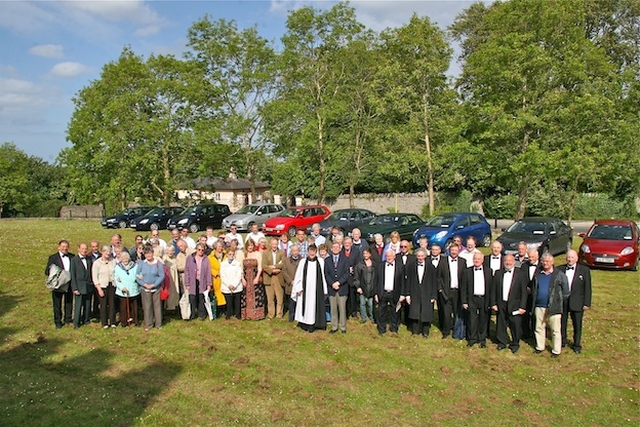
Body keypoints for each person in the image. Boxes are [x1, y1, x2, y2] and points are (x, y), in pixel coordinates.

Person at [531, 253, 570, 357]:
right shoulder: (538, 273)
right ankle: (540, 347)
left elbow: (566, 291)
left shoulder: (559, 274)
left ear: (552, 262)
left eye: (547, 261)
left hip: (554, 306)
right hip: (539, 305)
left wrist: (558, 300)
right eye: (543, 261)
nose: (545, 263)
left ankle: (556, 350)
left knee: (555, 330)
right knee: (539, 327)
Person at [491, 254, 528, 353]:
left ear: (514, 262)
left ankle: (515, 343)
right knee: (501, 323)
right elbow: (494, 289)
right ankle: (501, 342)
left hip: (515, 304)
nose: (508, 263)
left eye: (510, 261)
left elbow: (524, 292)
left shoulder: (520, 274)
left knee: (515, 324)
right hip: (501, 303)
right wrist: (493, 303)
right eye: (506, 261)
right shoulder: (498, 273)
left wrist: (522, 306)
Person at [558, 250, 591, 354]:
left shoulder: (584, 270)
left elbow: (587, 288)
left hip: (577, 301)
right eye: (568, 257)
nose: (570, 259)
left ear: (576, 258)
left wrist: (586, 303)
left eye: (572, 257)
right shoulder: (560, 269)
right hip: (563, 301)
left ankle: (576, 344)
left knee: (577, 324)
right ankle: (562, 341)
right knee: (562, 322)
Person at [292, 244, 328, 332]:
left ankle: (314, 324)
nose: (312, 253)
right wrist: (298, 288)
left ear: (316, 252)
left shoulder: (320, 262)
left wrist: (325, 289)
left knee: (313, 307)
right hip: (304, 290)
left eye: (314, 251)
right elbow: (298, 276)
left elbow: (323, 276)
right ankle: (304, 324)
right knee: (304, 307)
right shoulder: (303, 262)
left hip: (316, 290)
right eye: (310, 251)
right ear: (308, 252)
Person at [461, 252, 493, 348]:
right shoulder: (467, 271)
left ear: (482, 260)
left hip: (484, 299)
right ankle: (472, 339)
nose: (477, 260)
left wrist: (491, 302)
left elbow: (491, 287)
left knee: (483, 319)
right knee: (472, 319)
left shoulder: (488, 271)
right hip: (472, 299)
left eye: (479, 259)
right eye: (475, 259)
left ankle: (482, 339)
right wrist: (464, 301)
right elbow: (463, 288)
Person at [45, 240, 74, 329]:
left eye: (66, 246)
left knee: (69, 302)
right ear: (59, 247)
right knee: (57, 303)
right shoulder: (53, 258)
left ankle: (68, 319)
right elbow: (47, 271)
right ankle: (58, 321)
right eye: (63, 246)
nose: (65, 248)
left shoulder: (72, 256)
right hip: (58, 284)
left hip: (69, 283)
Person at [440, 243, 467, 340]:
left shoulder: (463, 262)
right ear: (449, 251)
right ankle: (446, 332)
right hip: (446, 291)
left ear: (459, 251)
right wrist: (440, 290)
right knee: (446, 314)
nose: (454, 252)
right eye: (452, 250)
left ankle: (457, 332)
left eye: (456, 250)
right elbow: (439, 277)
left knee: (457, 313)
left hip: (458, 292)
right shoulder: (443, 261)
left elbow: (465, 278)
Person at [375, 249, 405, 335]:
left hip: (395, 292)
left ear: (394, 256)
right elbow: (376, 280)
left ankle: (394, 329)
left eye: (390, 256)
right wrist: (376, 293)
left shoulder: (400, 266)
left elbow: (403, 281)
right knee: (381, 312)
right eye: (387, 256)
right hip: (382, 292)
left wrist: (403, 294)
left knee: (395, 312)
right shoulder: (380, 265)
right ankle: (381, 329)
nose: (389, 258)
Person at [136, 245, 165, 331]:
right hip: (145, 288)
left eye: (150, 253)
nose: (148, 255)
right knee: (147, 307)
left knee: (157, 306)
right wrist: (144, 284)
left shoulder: (158, 263)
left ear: (153, 253)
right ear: (144, 255)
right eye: (146, 254)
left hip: (156, 288)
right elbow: (137, 276)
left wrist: (154, 285)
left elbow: (162, 276)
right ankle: (148, 324)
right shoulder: (141, 264)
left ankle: (158, 324)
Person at [325, 241, 350, 334]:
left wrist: (339, 283)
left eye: (337, 247)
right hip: (332, 288)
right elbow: (326, 274)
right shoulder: (327, 260)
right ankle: (334, 327)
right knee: (333, 309)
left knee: (342, 309)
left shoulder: (345, 259)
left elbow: (347, 273)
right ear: (331, 249)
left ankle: (343, 327)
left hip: (342, 288)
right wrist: (332, 284)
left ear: (340, 249)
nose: (335, 249)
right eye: (334, 247)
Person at [185, 243, 212, 320]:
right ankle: (192, 314)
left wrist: (209, 284)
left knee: (201, 298)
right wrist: (187, 283)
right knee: (192, 298)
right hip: (192, 281)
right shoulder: (190, 258)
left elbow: (208, 272)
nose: (200, 251)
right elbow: (187, 271)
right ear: (196, 249)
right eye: (199, 249)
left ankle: (202, 315)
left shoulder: (206, 259)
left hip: (202, 281)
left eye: (202, 250)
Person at [70, 243, 93, 329]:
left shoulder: (89, 259)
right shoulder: (74, 260)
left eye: (86, 248)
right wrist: (74, 288)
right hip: (79, 286)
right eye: (82, 248)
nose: (84, 250)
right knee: (78, 305)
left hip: (88, 285)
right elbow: (73, 275)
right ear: (78, 249)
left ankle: (86, 320)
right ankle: (76, 323)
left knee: (87, 304)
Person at [92, 245, 116, 328]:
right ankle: (104, 322)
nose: (108, 253)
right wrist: (99, 288)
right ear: (102, 252)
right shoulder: (97, 263)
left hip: (112, 285)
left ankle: (113, 322)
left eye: (109, 252)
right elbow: (94, 277)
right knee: (103, 305)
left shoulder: (113, 261)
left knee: (112, 304)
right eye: (106, 251)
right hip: (102, 286)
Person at [241, 239, 265, 320]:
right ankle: (247, 315)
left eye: (251, 245)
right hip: (246, 278)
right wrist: (242, 279)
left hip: (255, 277)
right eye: (248, 245)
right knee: (246, 297)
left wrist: (257, 277)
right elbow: (241, 268)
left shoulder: (257, 254)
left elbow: (260, 268)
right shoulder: (244, 254)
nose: (250, 247)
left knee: (256, 296)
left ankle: (257, 315)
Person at [262, 237, 286, 319]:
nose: (274, 246)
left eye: (276, 244)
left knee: (279, 298)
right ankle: (271, 314)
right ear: (270, 244)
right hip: (269, 277)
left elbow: (283, 264)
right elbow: (264, 265)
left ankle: (279, 314)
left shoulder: (282, 253)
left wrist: (274, 266)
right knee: (270, 298)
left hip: (278, 277)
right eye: (273, 244)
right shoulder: (265, 253)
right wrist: (272, 271)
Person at [114, 251, 140, 327]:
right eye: (123, 258)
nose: (125, 260)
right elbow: (116, 278)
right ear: (121, 259)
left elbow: (138, 275)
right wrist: (122, 287)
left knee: (134, 306)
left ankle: (135, 320)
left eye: (126, 258)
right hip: (123, 291)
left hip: (133, 289)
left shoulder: (135, 266)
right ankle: (124, 322)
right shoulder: (118, 267)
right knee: (123, 307)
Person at [521, 249, 541, 339]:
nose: (531, 259)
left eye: (533, 257)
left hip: (537, 295)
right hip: (525, 295)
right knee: (525, 314)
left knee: (535, 315)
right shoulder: (524, 265)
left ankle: (534, 332)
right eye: (529, 257)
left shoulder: (541, 266)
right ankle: (525, 332)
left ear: (537, 256)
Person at [354, 248, 376, 324]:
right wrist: (358, 287)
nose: (365, 255)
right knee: (362, 303)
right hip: (363, 287)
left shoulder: (374, 264)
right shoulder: (359, 265)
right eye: (364, 254)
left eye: (367, 253)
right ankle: (363, 317)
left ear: (370, 254)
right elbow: (356, 277)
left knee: (370, 304)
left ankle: (372, 317)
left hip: (372, 287)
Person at [342, 237, 362, 319]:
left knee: (352, 296)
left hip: (352, 277)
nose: (347, 244)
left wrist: (353, 269)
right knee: (344, 296)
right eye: (345, 243)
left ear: (351, 244)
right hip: (343, 278)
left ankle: (353, 312)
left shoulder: (356, 252)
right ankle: (345, 313)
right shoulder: (340, 252)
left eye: (348, 243)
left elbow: (358, 264)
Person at [221, 249, 244, 320]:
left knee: (237, 302)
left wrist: (234, 284)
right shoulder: (223, 264)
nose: (231, 256)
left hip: (236, 286)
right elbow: (223, 275)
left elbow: (239, 274)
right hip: (227, 286)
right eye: (230, 254)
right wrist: (228, 284)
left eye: (233, 254)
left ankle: (237, 314)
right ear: (227, 255)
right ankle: (228, 314)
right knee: (229, 302)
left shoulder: (237, 263)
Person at [282, 244, 302, 321]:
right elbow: (284, 271)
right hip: (290, 284)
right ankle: (291, 316)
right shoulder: (286, 260)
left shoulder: (302, 260)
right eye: (294, 250)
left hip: (299, 284)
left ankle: (299, 316)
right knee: (291, 301)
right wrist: (290, 281)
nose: (295, 252)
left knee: (299, 301)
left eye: (296, 250)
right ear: (291, 251)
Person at [208, 241, 227, 318]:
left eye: (221, 246)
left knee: (225, 293)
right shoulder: (210, 257)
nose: (220, 248)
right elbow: (209, 267)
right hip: (216, 278)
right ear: (215, 247)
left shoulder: (226, 255)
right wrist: (216, 273)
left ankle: (225, 310)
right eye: (219, 246)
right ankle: (217, 311)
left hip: (225, 277)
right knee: (217, 294)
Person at [163, 245, 181, 311]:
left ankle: (174, 305)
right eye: (169, 251)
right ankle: (168, 306)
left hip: (175, 278)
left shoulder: (175, 258)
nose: (170, 252)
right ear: (166, 251)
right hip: (167, 278)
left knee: (175, 291)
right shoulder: (164, 259)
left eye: (172, 251)